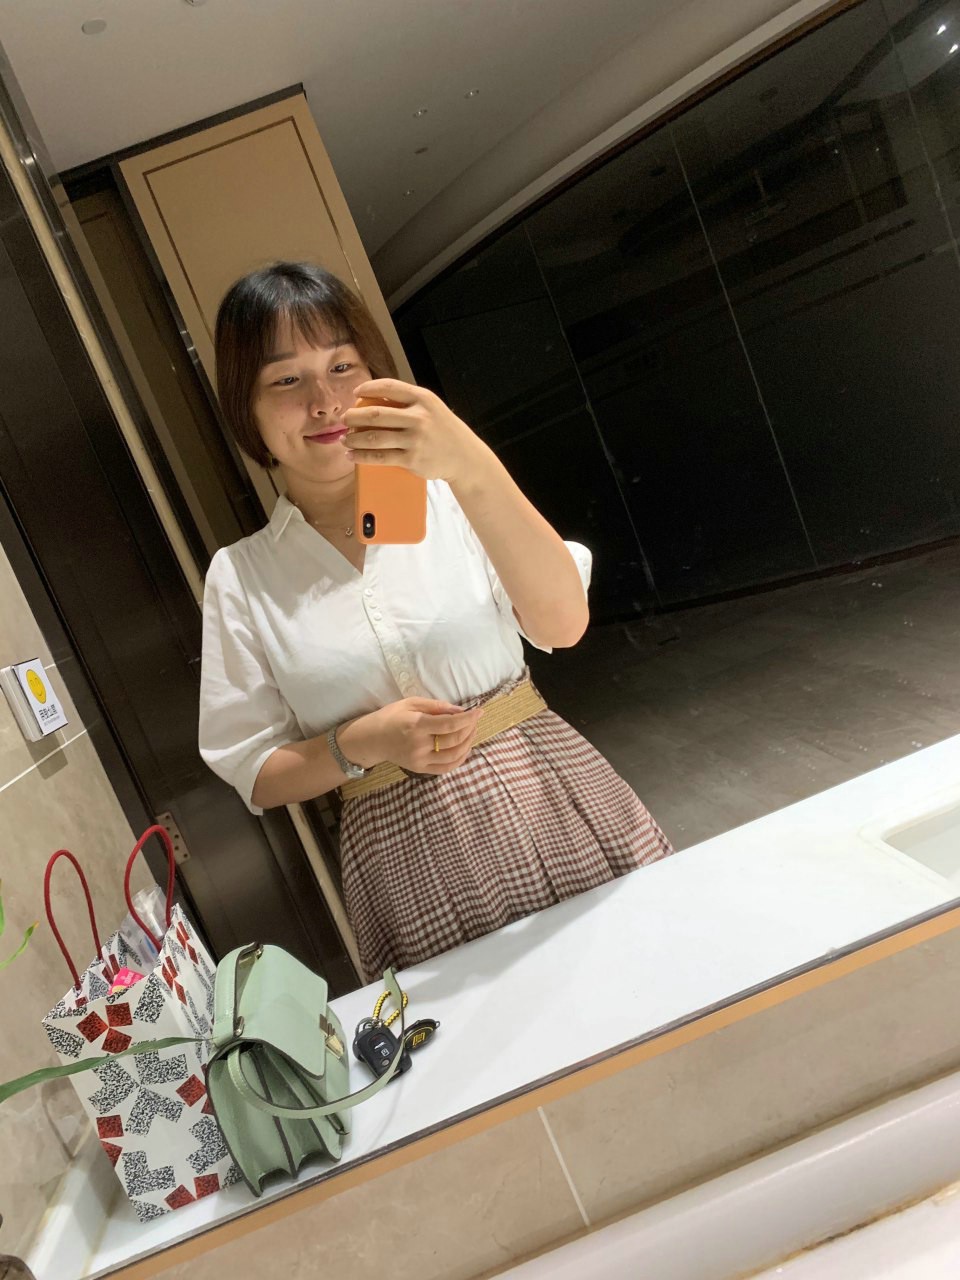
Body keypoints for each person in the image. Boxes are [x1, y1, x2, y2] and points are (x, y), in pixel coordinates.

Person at [199, 261, 672, 981]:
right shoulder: (243, 576)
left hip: (546, 790)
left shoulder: (448, 498)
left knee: (648, 981)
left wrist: (471, 466)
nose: (325, 402)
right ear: (249, 412)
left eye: (342, 366)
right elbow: (254, 769)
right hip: (398, 854)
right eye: (287, 380)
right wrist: (364, 742)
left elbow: (561, 622)